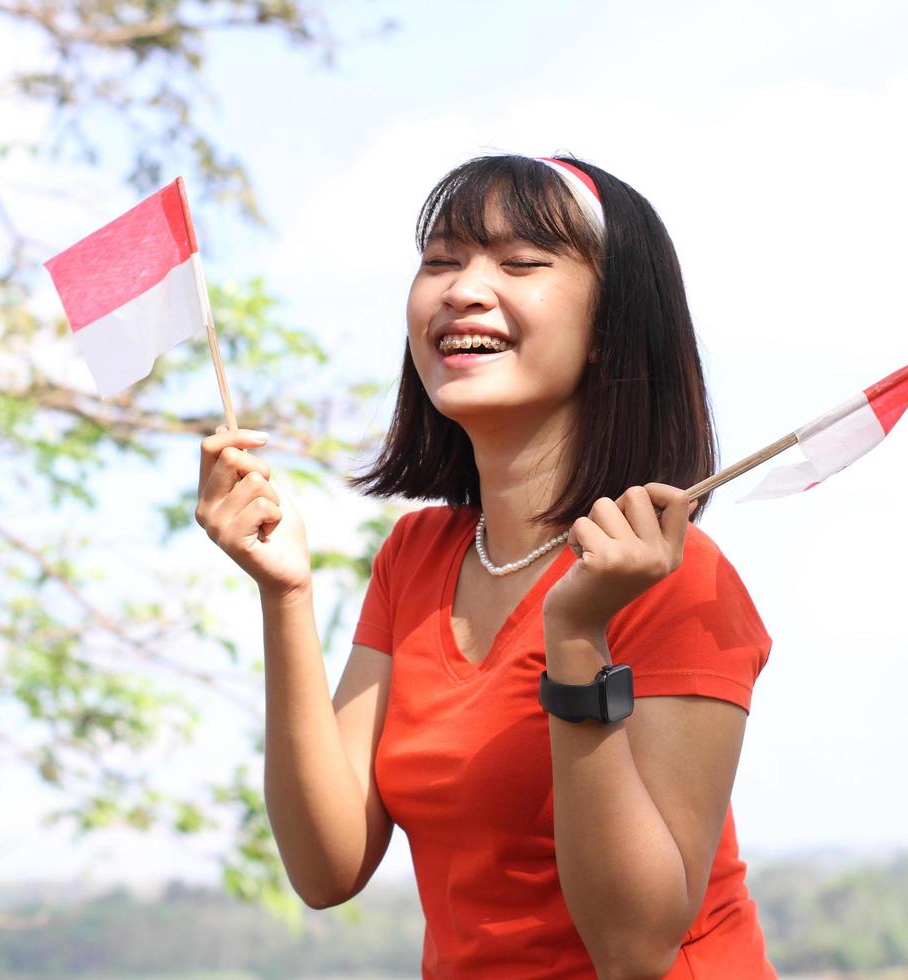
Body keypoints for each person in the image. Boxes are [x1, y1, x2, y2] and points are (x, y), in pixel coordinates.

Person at [195, 154, 777, 979]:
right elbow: (326, 868)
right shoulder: (416, 556)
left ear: (613, 321)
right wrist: (283, 594)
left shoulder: (672, 576)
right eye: (440, 260)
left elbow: (635, 947)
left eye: (521, 263)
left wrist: (576, 638)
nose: (462, 289)